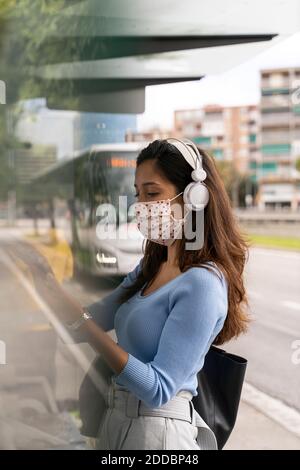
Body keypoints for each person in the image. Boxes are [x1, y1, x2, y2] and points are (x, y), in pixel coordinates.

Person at [8, 138, 250, 450]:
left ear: (195, 196)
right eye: (138, 194)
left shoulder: (203, 283)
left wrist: (89, 329)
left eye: (152, 193)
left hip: (159, 434)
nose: (141, 206)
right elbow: (88, 319)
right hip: (118, 420)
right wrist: (44, 282)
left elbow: (157, 388)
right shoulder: (149, 268)